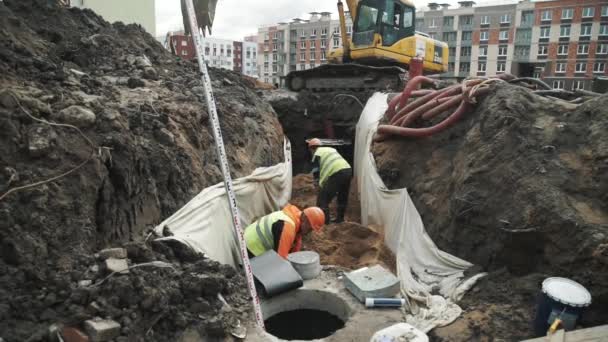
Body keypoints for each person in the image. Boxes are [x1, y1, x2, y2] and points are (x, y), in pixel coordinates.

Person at [244, 203, 325, 259]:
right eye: (310, 228)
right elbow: (281, 260)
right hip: (249, 249)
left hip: (249, 240)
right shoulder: (288, 227)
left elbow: (295, 249)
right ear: (305, 219)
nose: (309, 232)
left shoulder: (295, 217)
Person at [306, 138, 352, 223]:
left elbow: (316, 172)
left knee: (322, 199)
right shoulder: (331, 149)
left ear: (312, 149)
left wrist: (318, 185)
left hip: (336, 172)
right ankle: (340, 219)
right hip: (347, 170)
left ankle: (326, 223)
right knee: (342, 196)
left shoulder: (317, 154)